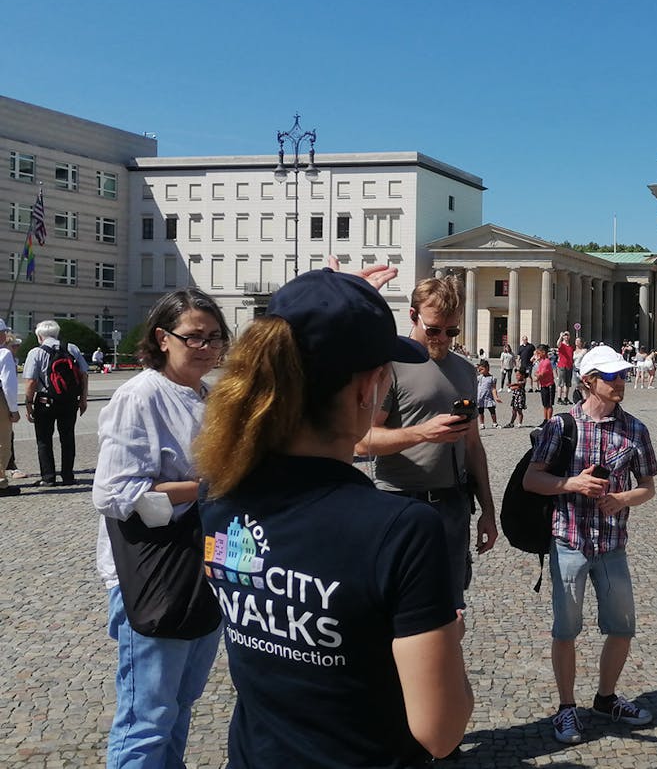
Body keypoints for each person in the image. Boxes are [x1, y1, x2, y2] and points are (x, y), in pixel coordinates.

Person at [193, 268, 473, 766]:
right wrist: (446, 636)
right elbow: (440, 731)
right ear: (368, 389)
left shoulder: (219, 494)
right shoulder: (400, 531)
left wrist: (326, 305)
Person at [92, 288, 231, 767]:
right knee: (146, 717)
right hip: (151, 574)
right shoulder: (141, 395)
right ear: (162, 338)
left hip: (202, 566)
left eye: (214, 337)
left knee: (180, 707)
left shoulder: (207, 395)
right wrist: (207, 488)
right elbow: (113, 493)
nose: (206, 347)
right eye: (193, 337)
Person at [522, 344, 657, 745]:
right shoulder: (561, 427)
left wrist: (622, 499)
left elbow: (648, 488)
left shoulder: (635, 429)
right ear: (588, 381)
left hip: (612, 544)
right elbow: (533, 480)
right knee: (566, 630)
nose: (620, 382)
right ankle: (566, 708)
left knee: (622, 628)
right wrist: (572, 484)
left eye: (621, 375)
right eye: (611, 377)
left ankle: (605, 698)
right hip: (569, 542)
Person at [356, 277, 498, 611]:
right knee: (397, 606)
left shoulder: (465, 371)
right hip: (399, 502)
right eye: (434, 330)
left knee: (451, 606)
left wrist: (488, 511)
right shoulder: (389, 366)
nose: (443, 340)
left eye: (453, 332)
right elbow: (362, 442)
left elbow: (474, 447)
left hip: (452, 505)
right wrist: (422, 433)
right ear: (413, 316)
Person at [23, 319, 89, 486]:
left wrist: (28, 403)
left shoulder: (35, 353)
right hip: (69, 401)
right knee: (67, 438)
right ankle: (68, 476)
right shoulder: (72, 348)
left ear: (39, 336)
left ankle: (48, 477)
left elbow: (30, 381)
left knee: (44, 440)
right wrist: (83, 398)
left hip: (45, 401)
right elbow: (84, 374)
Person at [0, 321, 20, 496]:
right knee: (2, 443)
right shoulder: (4, 354)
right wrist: (14, 409)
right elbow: (8, 385)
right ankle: (0, 483)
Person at [475, 361, 501, 429]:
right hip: (480, 397)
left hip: (488, 397)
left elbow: (493, 389)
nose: (480, 371)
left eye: (482, 369)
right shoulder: (479, 377)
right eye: (479, 370)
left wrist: (496, 397)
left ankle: (494, 423)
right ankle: (482, 424)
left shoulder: (492, 378)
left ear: (487, 368)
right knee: (480, 411)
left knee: (492, 410)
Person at [535, 345, 556, 423]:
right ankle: (545, 419)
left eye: (538, 353)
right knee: (544, 404)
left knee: (549, 404)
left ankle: (549, 420)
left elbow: (541, 374)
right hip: (543, 385)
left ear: (543, 352)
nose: (537, 354)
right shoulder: (541, 362)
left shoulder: (547, 362)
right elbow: (537, 373)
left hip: (549, 385)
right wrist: (537, 375)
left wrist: (537, 376)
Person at [556, 331, 576, 404]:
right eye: (565, 335)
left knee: (567, 383)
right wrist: (560, 337)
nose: (566, 337)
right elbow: (558, 344)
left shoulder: (570, 346)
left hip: (569, 366)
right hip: (562, 365)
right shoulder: (562, 345)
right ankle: (559, 398)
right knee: (561, 383)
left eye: (567, 335)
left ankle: (566, 398)